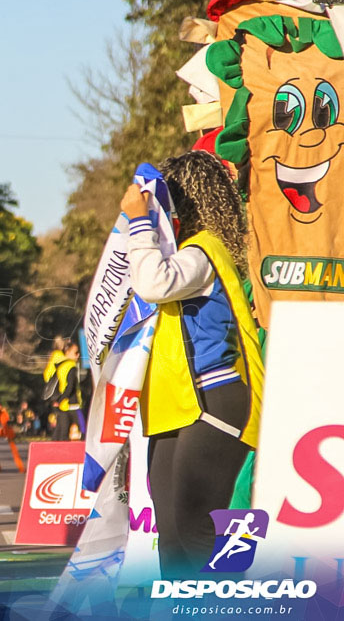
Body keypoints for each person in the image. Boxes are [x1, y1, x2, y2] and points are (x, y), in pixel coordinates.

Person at [121, 150, 263, 579]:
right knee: (171, 533)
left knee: (195, 525)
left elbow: (153, 282)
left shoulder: (203, 252)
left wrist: (139, 223)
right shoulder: (183, 254)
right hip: (175, 406)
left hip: (214, 400)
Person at [50, 341, 82, 441]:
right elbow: (70, 386)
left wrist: (58, 400)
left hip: (63, 404)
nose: (78, 355)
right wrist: (61, 399)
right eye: (75, 352)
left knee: (61, 431)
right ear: (67, 352)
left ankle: (55, 453)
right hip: (72, 403)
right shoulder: (71, 367)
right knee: (83, 429)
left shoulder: (59, 366)